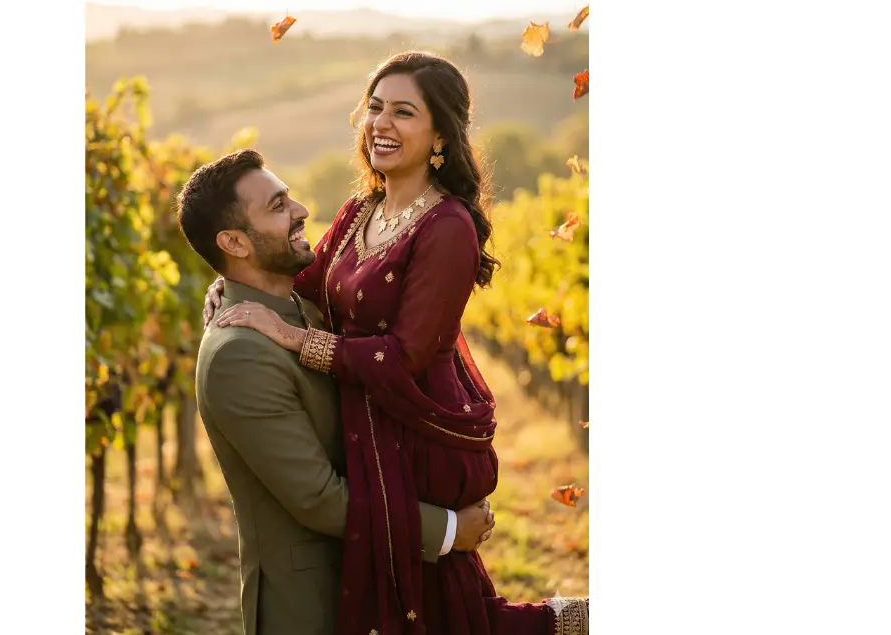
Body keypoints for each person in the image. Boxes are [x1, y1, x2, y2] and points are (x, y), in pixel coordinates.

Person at [207, 52, 589, 634]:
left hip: (414, 434)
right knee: (428, 612)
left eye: (403, 112)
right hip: (366, 428)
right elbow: (302, 280)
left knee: (442, 613)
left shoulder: (448, 227)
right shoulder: (360, 210)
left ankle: (574, 623)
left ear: (440, 133)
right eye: (375, 108)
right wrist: (227, 285)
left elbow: (406, 354)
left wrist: (296, 339)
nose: (381, 123)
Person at [176, 148, 498, 635]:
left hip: (366, 579)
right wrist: (450, 531)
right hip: (310, 605)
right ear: (234, 242)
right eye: (278, 205)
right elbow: (319, 499)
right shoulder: (236, 355)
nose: (302, 211)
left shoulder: (304, 311)